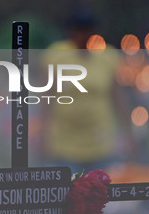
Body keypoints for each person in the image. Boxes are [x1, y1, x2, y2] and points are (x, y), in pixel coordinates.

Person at [40, 10, 136, 173]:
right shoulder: (56, 56)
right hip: (65, 143)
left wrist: (129, 133)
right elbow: (45, 97)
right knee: (68, 193)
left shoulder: (108, 57)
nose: (83, 36)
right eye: (79, 31)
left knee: (99, 192)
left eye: (87, 31)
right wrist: (42, 134)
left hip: (100, 142)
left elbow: (119, 98)